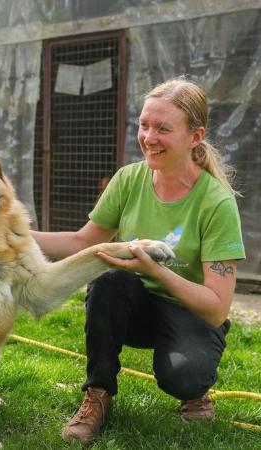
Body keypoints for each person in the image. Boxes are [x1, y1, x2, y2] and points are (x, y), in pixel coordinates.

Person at [31, 77, 245, 446]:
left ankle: (196, 393)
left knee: (183, 377)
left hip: (190, 310)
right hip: (132, 306)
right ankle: (98, 394)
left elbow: (216, 309)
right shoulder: (129, 179)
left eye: (163, 128)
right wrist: (11, 237)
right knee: (108, 279)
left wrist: (155, 270)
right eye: (144, 125)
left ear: (196, 136)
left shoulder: (217, 204)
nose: (148, 137)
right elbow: (83, 241)